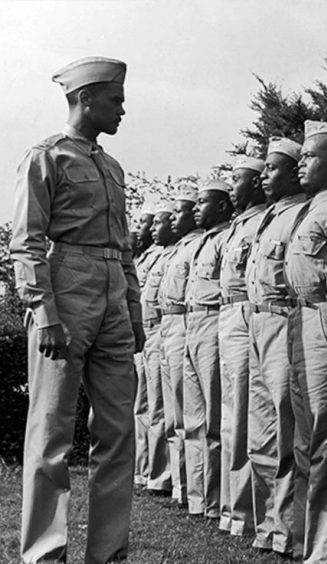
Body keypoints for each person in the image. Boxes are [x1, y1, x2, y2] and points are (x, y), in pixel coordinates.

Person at [12, 56, 144, 564]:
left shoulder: (111, 167)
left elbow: (124, 246)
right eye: (116, 100)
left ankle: (108, 554)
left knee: (118, 434)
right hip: (65, 290)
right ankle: (45, 555)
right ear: (86, 99)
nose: (122, 110)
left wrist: (132, 309)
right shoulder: (45, 158)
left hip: (112, 295)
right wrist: (43, 312)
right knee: (50, 432)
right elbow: (26, 243)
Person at [284, 120, 327, 562]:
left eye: (312, 157)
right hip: (302, 316)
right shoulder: (312, 208)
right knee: (307, 437)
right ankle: (309, 539)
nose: (302, 165)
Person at [244, 137, 309, 555]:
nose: (265, 176)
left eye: (273, 168)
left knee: (287, 430)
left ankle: (288, 529)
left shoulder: (301, 214)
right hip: (257, 320)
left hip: (284, 319)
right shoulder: (271, 217)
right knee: (262, 431)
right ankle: (269, 523)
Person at [217, 154, 267, 536]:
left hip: (249, 313)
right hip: (227, 315)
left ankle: (246, 514)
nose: (233, 186)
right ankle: (232, 510)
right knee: (230, 415)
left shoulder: (261, 222)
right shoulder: (238, 225)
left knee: (245, 417)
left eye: (237, 179)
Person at [183, 179, 234, 521]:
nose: (197, 209)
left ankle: (215, 500)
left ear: (220, 206)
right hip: (191, 323)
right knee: (193, 419)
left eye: (204, 202)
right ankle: (198, 498)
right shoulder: (203, 243)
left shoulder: (226, 238)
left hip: (212, 321)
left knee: (214, 419)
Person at [159, 185, 205, 509]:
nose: (175, 219)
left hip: (188, 323)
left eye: (179, 213)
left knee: (195, 415)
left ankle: (195, 490)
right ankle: (180, 486)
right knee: (174, 413)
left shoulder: (197, 246)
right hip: (166, 325)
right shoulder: (178, 249)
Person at [142, 201, 182, 498]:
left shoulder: (179, 251)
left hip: (169, 326)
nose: (154, 228)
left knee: (170, 409)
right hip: (152, 331)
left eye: (158, 222)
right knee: (148, 407)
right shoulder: (154, 256)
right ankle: (151, 472)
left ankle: (168, 478)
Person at [133, 201, 158, 489]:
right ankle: (144, 470)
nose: (141, 230)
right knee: (142, 406)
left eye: (147, 223)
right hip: (145, 331)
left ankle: (159, 474)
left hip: (167, 327)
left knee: (159, 408)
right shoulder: (140, 259)